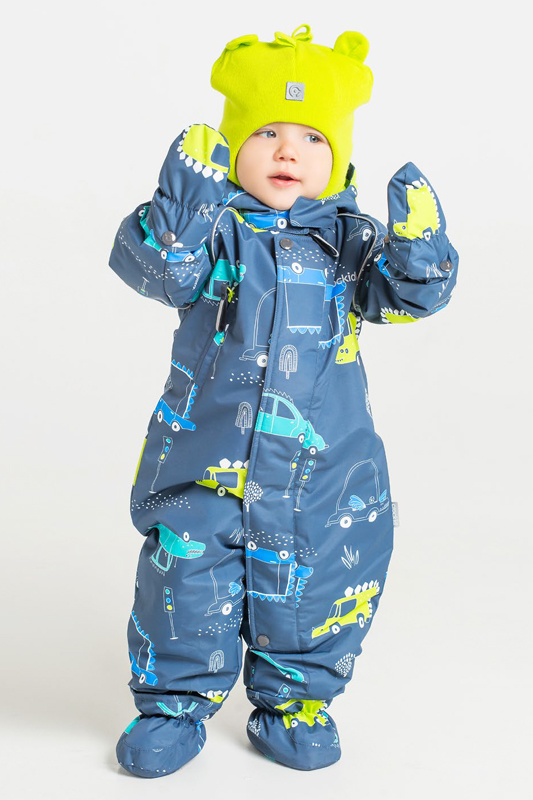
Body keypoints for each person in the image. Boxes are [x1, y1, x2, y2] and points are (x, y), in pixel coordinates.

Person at [108, 23, 459, 777]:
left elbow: (405, 300)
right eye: (266, 132)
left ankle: (295, 702)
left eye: (311, 136)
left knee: (319, 581)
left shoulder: (349, 240)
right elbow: (159, 274)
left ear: (339, 156)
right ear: (234, 145)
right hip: (204, 463)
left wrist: (418, 251)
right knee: (185, 580)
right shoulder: (215, 231)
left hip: (322, 472)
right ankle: (173, 703)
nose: (287, 151)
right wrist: (179, 211)